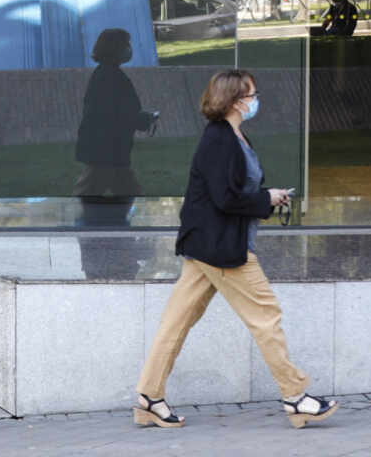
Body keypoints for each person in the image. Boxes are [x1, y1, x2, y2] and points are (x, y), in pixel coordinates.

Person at [134, 69, 337, 430]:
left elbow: (231, 191)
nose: (255, 100)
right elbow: (225, 197)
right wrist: (266, 198)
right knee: (266, 316)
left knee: (176, 323)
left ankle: (148, 398)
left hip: (209, 246)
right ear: (234, 100)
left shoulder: (232, 135)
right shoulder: (219, 139)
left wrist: (266, 196)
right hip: (221, 249)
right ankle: (295, 396)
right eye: (252, 95)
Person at [74, 28, 157, 225]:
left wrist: (140, 119)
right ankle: (96, 230)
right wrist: (141, 120)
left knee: (120, 189)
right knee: (94, 191)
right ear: (116, 48)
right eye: (126, 45)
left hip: (108, 149)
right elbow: (115, 115)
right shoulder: (110, 77)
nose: (129, 49)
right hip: (107, 150)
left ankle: (105, 229)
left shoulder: (106, 75)